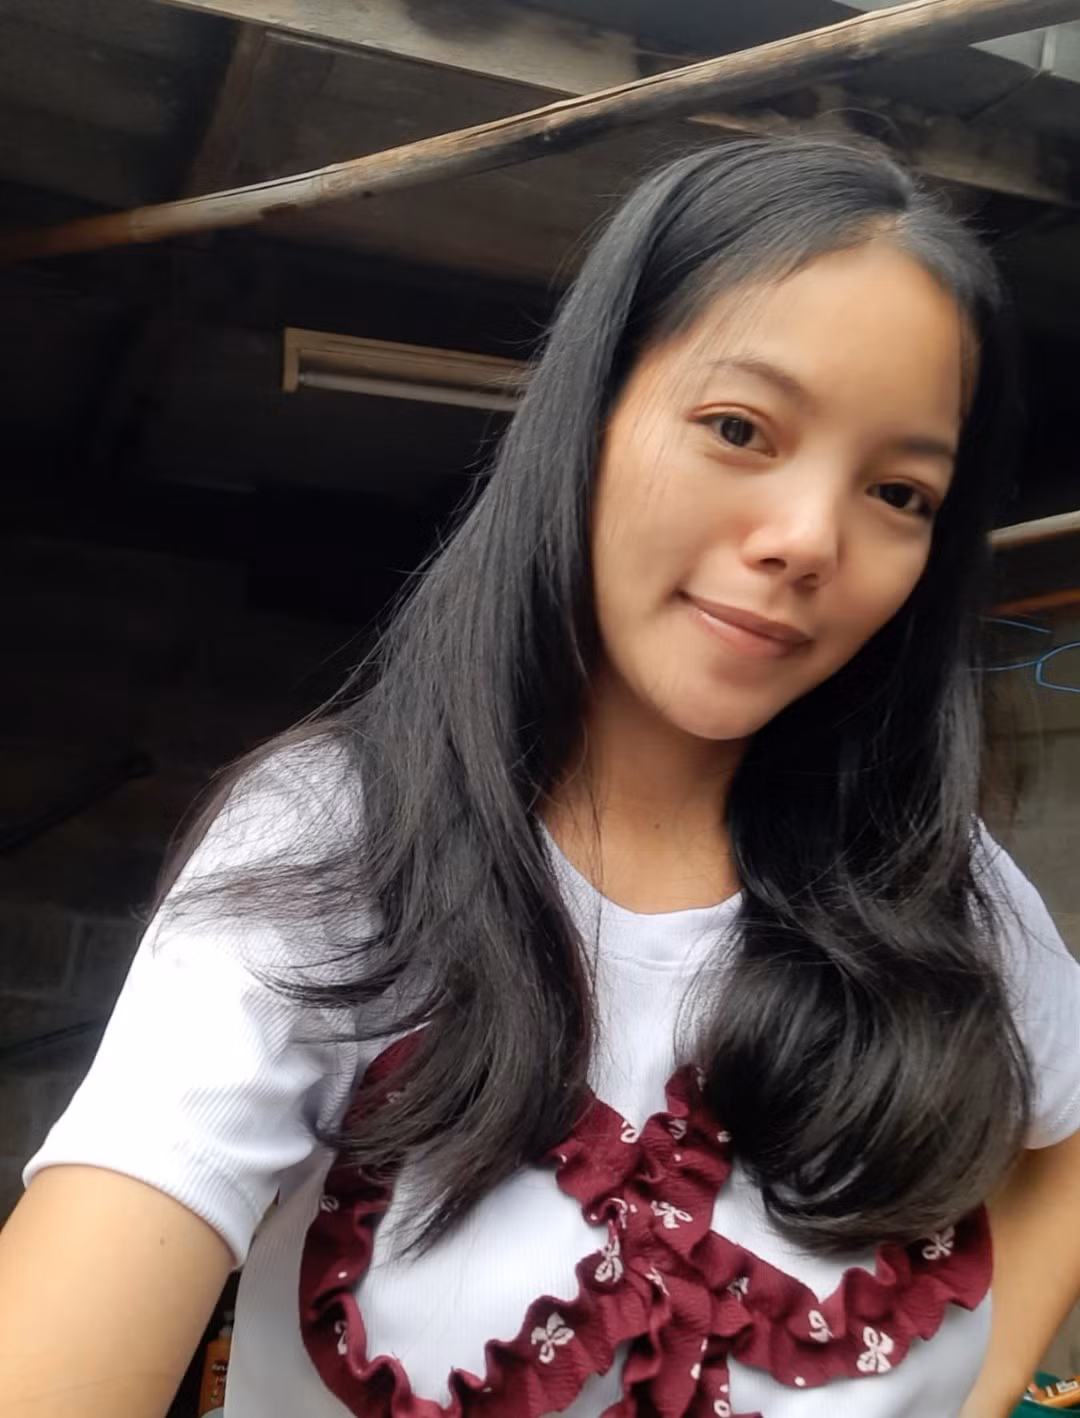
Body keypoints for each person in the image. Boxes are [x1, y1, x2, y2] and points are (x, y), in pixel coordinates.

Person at [2, 135, 1078, 1418]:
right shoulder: (341, 843)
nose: (808, 539)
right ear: (589, 418)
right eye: (739, 427)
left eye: (900, 491)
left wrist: (979, 1393)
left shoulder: (935, 880)